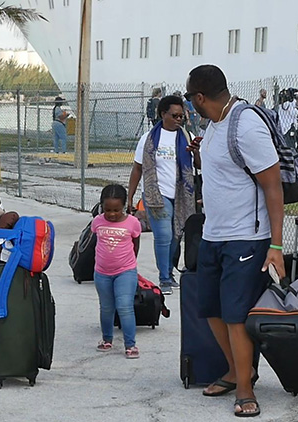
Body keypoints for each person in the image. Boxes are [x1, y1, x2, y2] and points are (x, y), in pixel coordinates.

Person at [185, 64, 285, 418]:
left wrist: (276, 246)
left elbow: (273, 187)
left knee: (236, 316)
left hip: (246, 238)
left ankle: (245, 388)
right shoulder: (213, 126)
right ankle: (236, 370)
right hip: (213, 234)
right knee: (211, 309)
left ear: (199, 97)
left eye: (190, 98)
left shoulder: (246, 125)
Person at [126, 95, 197, 295]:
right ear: (162, 114)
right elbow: (137, 169)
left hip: (182, 195)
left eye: (181, 116)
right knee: (164, 236)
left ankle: (169, 272)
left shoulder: (186, 136)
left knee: (176, 236)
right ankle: (164, 278)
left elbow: (198, 165)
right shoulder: (148, 138)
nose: (178, 119)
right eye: (174, 115)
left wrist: (196, 152)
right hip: (156, 195)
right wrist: (130, 197)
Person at [92, 184, 142, 359]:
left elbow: (135, 243)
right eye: (108, 210)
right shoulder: (97, 221)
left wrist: (130, 264)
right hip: (102, 272)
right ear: (102, 206)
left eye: (117, 210)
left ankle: (130, 345)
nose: (112, 214)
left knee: (124, 307)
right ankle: (107, 339)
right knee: (106, 307)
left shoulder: (133, 223)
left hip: (125, 272)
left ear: (124, 207)